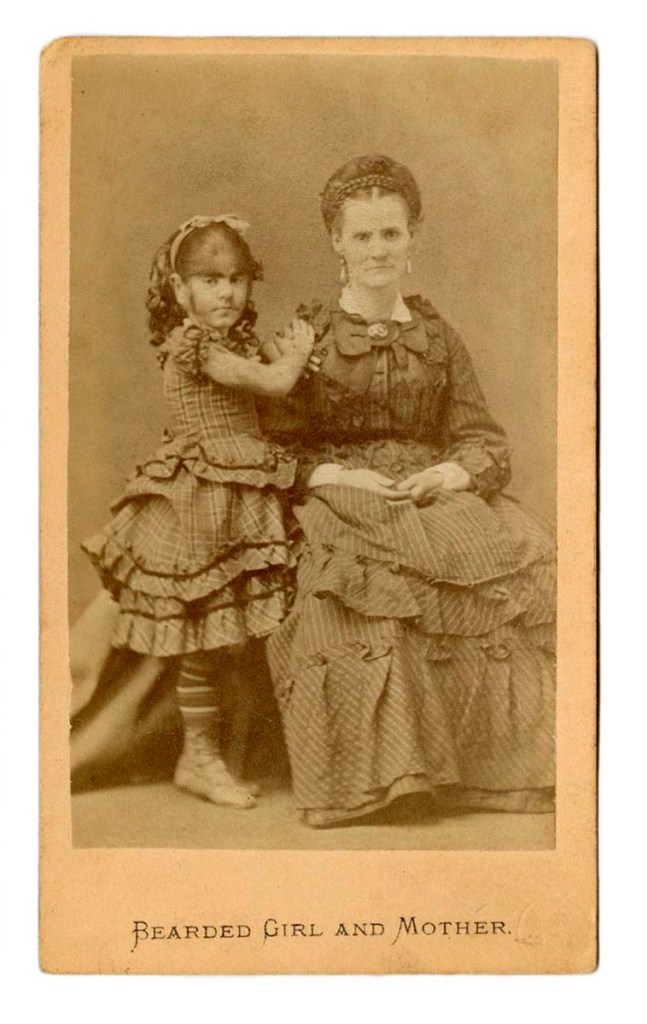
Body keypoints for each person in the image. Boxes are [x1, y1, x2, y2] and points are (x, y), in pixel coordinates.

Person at [262, 155, 556, 828]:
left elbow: (482, 438)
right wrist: (336, 476)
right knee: (351, 600)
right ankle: (390, 779)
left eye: (390, 234)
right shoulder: (306, 337)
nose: (377, 250)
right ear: (336, 241)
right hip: (343, 498)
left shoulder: (437, 337)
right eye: (361, 236)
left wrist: (450, 474)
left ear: (411, 238)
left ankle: (494, 775)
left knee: (510, 567)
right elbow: (275, 447)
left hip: (430, 493)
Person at [81, 213, 315, 809]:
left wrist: (287, 361)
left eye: (237, 279)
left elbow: (270, 391)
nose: (227, 292)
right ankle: (199, 757)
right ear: (180, 290)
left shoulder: (233, 340)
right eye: (210, 280)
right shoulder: (192, 344)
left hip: (245, 492)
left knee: (234, 638)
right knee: (204, 640)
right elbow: (271, 385)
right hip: (202, 502)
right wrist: (295, 358)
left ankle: (230, 751)